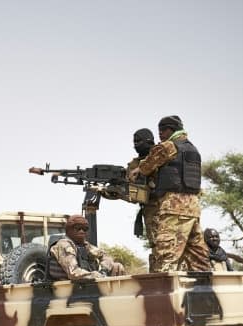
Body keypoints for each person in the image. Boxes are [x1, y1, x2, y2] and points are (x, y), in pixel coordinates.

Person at [129, 115, 210, 272]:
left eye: (162, 131)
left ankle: (163, 292)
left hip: (174, 206)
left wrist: (137, 169)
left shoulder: (169, 146)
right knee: (198, 256)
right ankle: (205, 290)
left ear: (170, 130)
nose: (160, 134)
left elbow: (147, 167)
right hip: (193, 208)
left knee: (165, 254)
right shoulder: (192, 148)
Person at [49, 214, 126, 280]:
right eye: (78, 228)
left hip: (83, 284)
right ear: (69, 230)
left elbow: (105, 255)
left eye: (85, 229)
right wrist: (96, 275)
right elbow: (74, 273)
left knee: (117, 266)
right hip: (66, 285)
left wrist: (104, 270)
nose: (82, 231)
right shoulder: (63, 244)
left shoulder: (84, 245)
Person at [128, 128, 158, 269]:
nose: (136, 145)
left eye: (139, 141)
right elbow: (132, 193)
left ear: (149, 141)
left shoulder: (160, 156)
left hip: (167, 207)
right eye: (134, 142)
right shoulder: (135, 164)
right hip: (151, 210)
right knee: (158, 246)